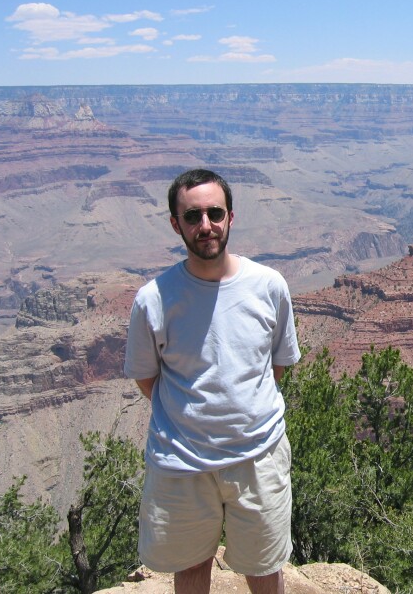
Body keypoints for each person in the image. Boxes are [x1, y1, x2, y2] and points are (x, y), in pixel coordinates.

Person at [124, 168, 301, 594]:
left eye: (214, 213)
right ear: (176, 224)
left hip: (258, 456)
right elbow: (147, 379)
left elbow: (274, 367)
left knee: (265, 568)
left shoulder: (269, 286)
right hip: (182, 463)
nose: (206, 226)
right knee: (189, 569)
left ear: (230, 217)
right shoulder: (153, 299)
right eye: (193, 217)